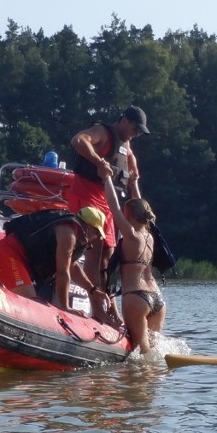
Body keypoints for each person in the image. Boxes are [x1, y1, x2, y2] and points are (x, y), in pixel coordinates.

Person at [67, 105, 150, 294]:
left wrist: (133, 169)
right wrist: (99, 162)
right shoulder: (102, 131)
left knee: (107, 254)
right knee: (94, 253)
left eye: (139, 131)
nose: (136, 134)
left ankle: (107, 300)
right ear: (125, 121)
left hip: (106, 203)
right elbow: (78, 140)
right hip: (86, 196)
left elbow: (128, 156)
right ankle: (96, 301)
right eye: (135, 129)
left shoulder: (126, 142)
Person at [0, 207, 116, 325]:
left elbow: (72, 267)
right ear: (88, 228)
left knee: (34, 304)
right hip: (7, 255)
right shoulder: (68, 233)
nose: (98, 237)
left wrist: (93, 290)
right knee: (32, 305)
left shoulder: (72, 232)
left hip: (16, 259)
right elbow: (63, 271)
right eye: (97, 232)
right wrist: (65, 307)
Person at [104, 176, 165, 353]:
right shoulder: (150, 235)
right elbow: (141, 206)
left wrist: (107, 178)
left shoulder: (131, 234)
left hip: (137, 296)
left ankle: (136, 381)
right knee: (152, 353)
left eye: (125, 213)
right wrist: (133, 183)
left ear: (128, 215)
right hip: (157, 298)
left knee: (141, 352)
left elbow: (113, 207)